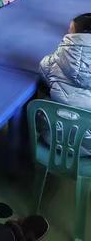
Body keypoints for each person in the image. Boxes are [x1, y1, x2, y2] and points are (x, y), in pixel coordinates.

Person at [39, 14, 91, 155]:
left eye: (70, 30)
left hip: (54, 137)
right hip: (89, 144)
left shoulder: (54, 61)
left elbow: (42, 69)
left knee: (39, 97)